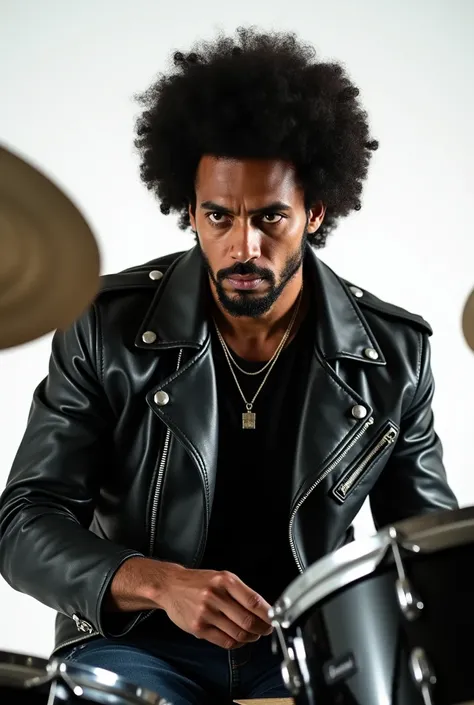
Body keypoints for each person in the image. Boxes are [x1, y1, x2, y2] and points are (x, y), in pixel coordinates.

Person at [0, 26, 458, 705]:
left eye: (271, 217)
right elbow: (24, 523)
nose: (243, 245)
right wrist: (157, 581)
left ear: (316, 211)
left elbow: (430, 552)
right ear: (189, 210)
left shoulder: (392, 355)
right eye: (218, 216)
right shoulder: (106, 327)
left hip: (311, 657)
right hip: (136, 645)